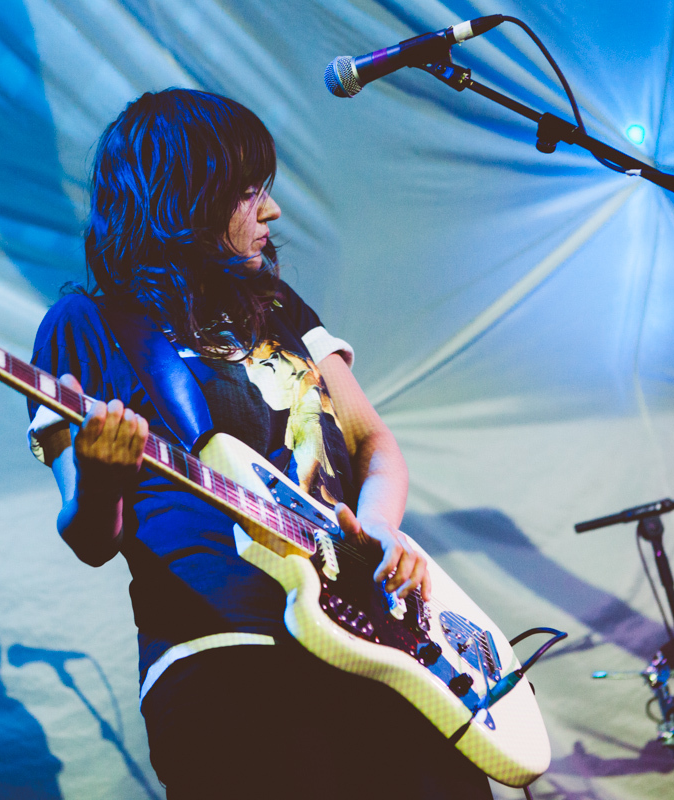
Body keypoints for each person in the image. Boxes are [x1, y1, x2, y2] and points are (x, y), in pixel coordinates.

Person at [25, 89, 492, 798]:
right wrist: (100, 477)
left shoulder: (279, 310)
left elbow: (375, 445)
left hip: (378, 643)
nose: (270, 212)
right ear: (181, 201)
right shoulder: (84, 326)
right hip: (226, 657)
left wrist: (378, 529)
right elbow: (90, 537)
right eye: (249, 194)